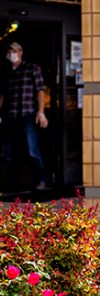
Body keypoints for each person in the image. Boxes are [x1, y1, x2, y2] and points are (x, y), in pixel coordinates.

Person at [0, 41, 48, 190]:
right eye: (9, 51)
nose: (11, 54)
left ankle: (41, 180)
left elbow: (40, 91)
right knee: (8, 150)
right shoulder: (7, 73)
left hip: (28, 114)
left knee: (31, 149)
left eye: (14, 51)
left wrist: (41, 112)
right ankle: (12, 181)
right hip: (11, 115)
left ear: (20, 53)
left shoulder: (32, 68)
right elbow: (2, 95)